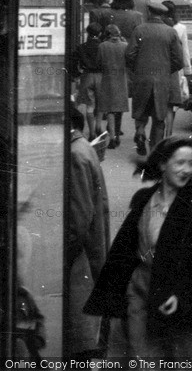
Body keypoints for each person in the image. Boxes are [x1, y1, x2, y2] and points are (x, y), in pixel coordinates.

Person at [84, 136, 192, 359]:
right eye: (179, 163)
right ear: (163, 164)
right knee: (145, 359)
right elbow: (126, 249)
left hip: (180, 298)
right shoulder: (143, 199)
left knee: (182, 360)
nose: (186, 170)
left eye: (191, 163)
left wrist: (180, 294)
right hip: (141, 290)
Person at [68, 107, 110, 360]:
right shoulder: (83, 148)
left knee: (78, 343)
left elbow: (78, 221)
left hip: (81, 262)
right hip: (93, 254)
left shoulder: (75, 155)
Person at [126, 0, 183, 156]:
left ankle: (140, 131)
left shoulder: (139, 30)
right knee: (159, 118)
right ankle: (155, 152)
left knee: (141, 110)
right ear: (162, 14)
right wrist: (165, 70)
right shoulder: (171, 32)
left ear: (149, 12)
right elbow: (179, 60)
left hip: (142, 78)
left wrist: (137, 69)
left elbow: (129, 54)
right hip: (162, 81)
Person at [161, 0, 192, 136]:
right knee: (171, 105)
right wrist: (188, 71)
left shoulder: (159, 27)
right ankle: (168, 133)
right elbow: (184, 52)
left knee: (159, 102)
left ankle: (159, 130)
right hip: (175, 70)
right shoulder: (181, 28)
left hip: (159, 68)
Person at [96, 24, 129, 149]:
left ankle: (112, 137)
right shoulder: (125, 46)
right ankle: (117, 135)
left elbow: (98, 63)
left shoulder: (102, 46)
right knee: (119, 109)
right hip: (121, 79)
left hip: (108, 80)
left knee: (110, 110)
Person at [71, 22, 103, 141]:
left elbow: (74, 61)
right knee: (100, 104)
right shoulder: (103, 46)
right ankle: (98, 127)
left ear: (88, 33)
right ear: (100, 33)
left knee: (89, 106)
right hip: (101, 76)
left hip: (87, 76)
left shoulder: (81, 47)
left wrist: (77, 74)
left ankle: (92, 133)